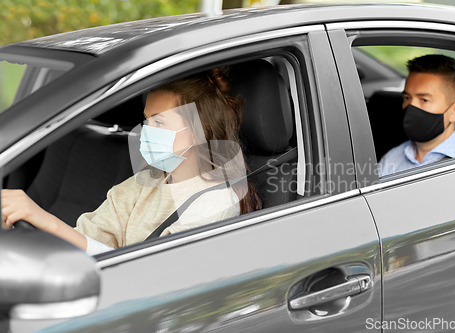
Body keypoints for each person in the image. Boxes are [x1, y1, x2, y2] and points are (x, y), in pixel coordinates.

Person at [1, 68, 262, 255]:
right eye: (147, 120)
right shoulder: (140, 185)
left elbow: (152, 274)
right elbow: (86, 239)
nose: (146, 131)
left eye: (159, 122)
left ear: (199, 129)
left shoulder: (215, 201)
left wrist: (47, 221)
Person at [378, 54, 455, 177]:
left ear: (454, 111)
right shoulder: (392, 158)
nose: (411, 106)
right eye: (407, 98)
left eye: (424, 100)